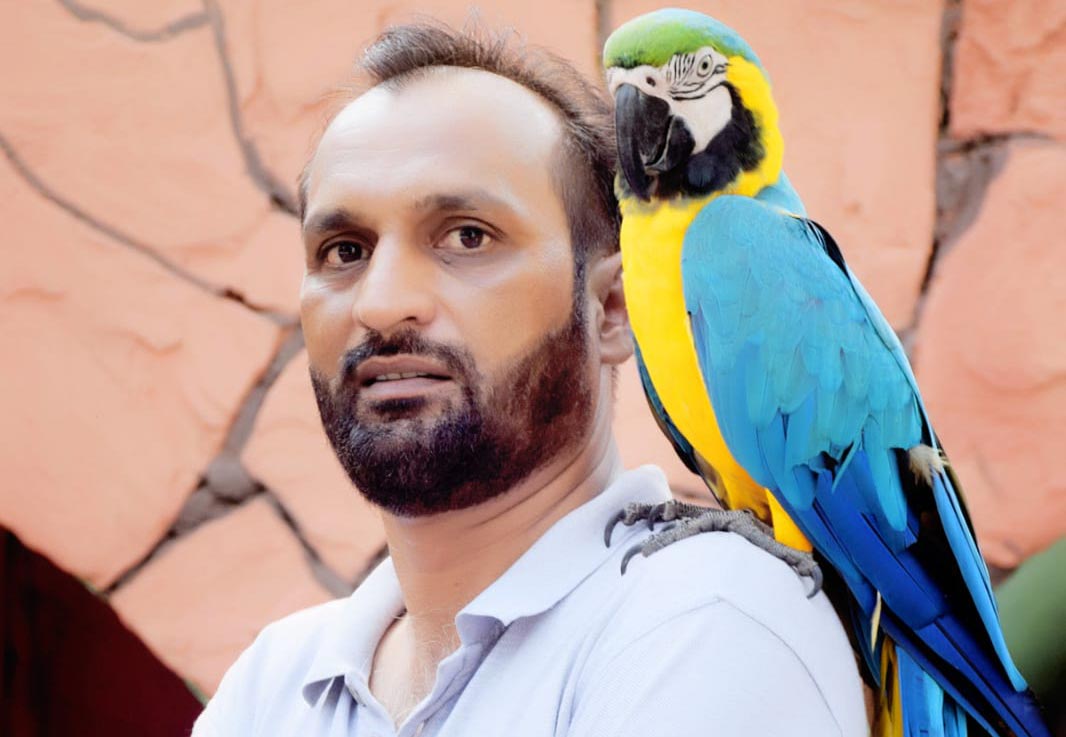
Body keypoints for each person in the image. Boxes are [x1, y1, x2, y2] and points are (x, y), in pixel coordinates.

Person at [193, 21, 867, 737]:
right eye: (344, 248)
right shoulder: (272, 684)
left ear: (613, 308)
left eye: (467, 236)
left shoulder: (709, 617)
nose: (381, 302)